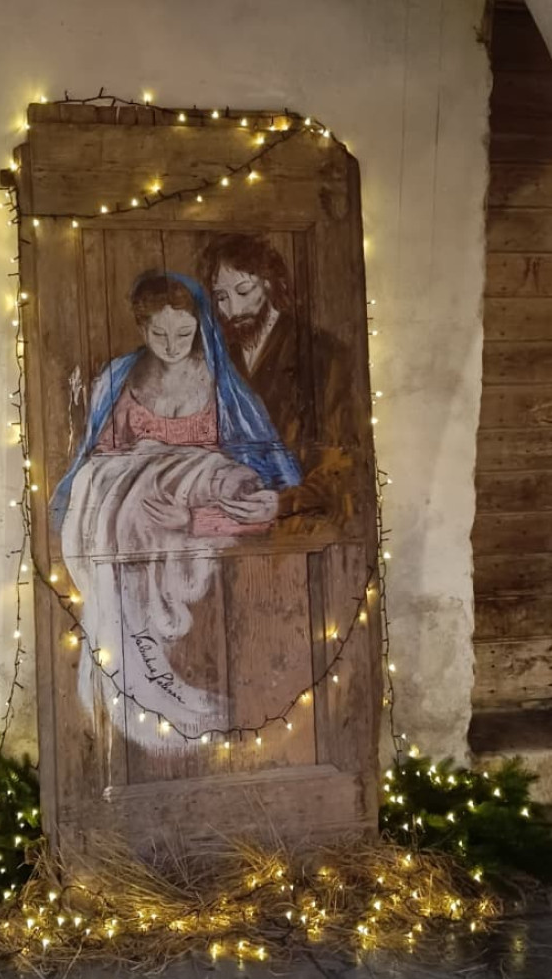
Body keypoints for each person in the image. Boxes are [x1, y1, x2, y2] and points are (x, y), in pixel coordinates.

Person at [51, 271, 301, 748]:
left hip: (197, 517)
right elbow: (102, 462)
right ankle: (143, 679)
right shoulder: (120, 380)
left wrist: (193, 513)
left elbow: (258, 478)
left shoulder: (220, 384)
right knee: (101, 497)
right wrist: (145, 472)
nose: (171, 345)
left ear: (199, 327)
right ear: (141, 328)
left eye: (184, 334)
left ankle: (161, 682)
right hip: (135, 516)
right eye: (159, 334)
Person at [199, 233, 356, 523]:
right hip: (230, 510)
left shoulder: (322, 353)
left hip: (301, 517)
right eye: (221, 297)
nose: (233, 310)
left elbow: (342, 462)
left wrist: (283, 504)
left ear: (269, 283)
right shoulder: (218, 357)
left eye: (244, 291)